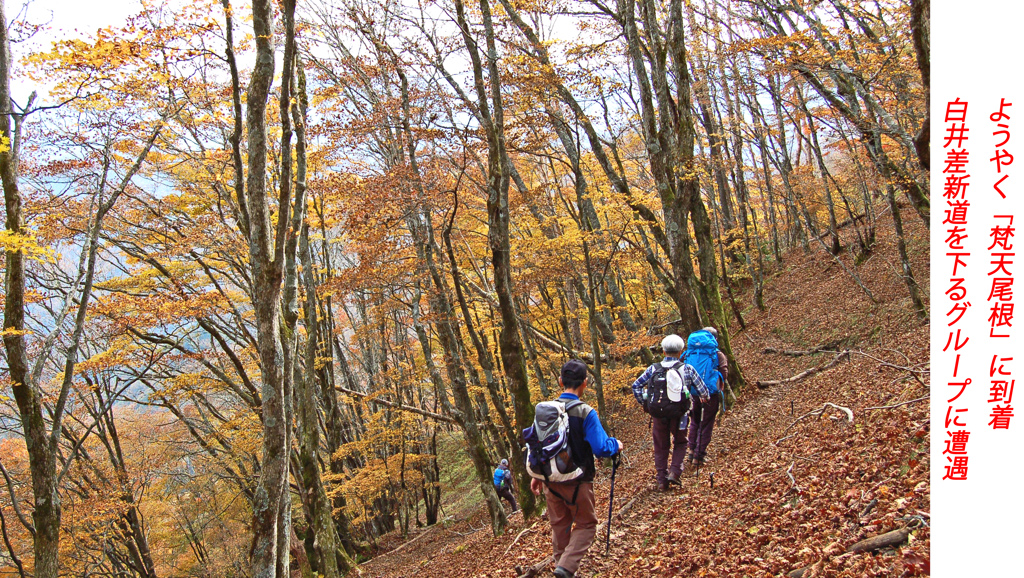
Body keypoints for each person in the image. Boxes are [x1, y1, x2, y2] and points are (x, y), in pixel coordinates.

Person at [530, 359, 622, 578]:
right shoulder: (586, 412)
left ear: (561, 381)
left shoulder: (545, 411)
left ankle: (563, 567)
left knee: (560, 526)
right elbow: (600, 448)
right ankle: (565, 568)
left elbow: (537, 447)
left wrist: (537, 476)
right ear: (585, 383)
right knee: (587, 525)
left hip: (550, 480)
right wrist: (616, 444)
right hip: (578, 481)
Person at [631, 334, 710, 490]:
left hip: (658, 414)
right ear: (681, 351)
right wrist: (703, 398)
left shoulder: (653, 368)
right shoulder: (687, 369)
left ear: (663, 351)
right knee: (680, 442)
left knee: (661, 445)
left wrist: (645, 402)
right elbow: (704, 391)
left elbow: (636, 386)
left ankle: (661, 480)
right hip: (680, 414)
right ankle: (674, 472)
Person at [684, 327, 729, 471]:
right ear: (714, 339)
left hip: (692, 393)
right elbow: (724, 372)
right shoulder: (717, 354)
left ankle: (691, 451)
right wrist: (717, 387)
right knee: (707, 424)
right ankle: (699, 456)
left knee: (695, 421)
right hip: (710, 394)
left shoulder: (689, 352)